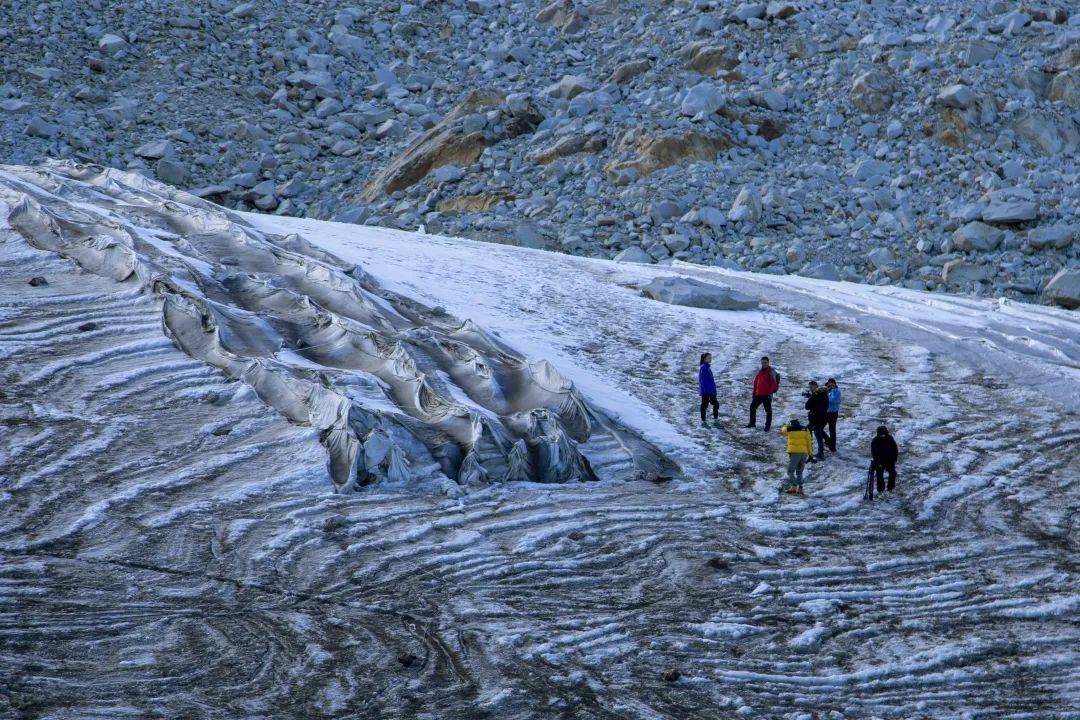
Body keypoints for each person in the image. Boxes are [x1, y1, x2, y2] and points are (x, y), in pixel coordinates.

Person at [779, 418, 813, 495]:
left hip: (795, 453)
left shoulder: (789, 429)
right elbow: (809, 442)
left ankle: (794, 487)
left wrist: (787, 424)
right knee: (799, 472)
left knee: (790, 471)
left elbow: (783, 430)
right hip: (804, 453)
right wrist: (810, 454)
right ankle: (800, 489)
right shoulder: (805, 429)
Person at [747, 356, 780, 431]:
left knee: (768, 411)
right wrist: (754, 393)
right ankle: (752, 423)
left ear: (768, 363)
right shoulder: (760, 371)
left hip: (766, 395)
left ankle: (767, 426)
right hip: (758, 394)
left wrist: (770, 393)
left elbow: (773, 384)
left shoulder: (771, 372)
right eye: (762, 363)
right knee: (752, 407)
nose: (764, 364)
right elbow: (756, 382)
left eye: (765, 362)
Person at [804, 381, 829, 461]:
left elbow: (807, 406)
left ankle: (820, 454)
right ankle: (828, 441)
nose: (810, 389)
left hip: (816, 420)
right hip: (823, 418)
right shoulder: (824, 394)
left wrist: (811, 397)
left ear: (815, 386)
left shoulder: (815, 395)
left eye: (811, 387)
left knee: (818, 436)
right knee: (818, 432)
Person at [870, 425, 899, 492]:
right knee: (879, 476)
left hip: (890, 460)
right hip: (880, 461)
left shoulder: (890, 438)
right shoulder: (875, 441)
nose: (883, 436)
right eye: (881, 434)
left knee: (893, 474)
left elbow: (895, 449)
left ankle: (890, 488)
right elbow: (874, 453)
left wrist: (894, 459)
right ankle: (880, 489)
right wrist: (877, 462)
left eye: (884, 434)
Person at [698, 353, 719, 427]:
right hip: (707, 391)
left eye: (711, 358)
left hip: (710, 391)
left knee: (714, 404)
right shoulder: (704, 367)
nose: (710, 359)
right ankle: (704, 422)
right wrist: (708, 391)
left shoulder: (707, 367)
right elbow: (703, 381)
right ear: (704, 359)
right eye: (708, 358)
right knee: (705, 405)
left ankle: (714, 420)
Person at [825, 379, 841, 452]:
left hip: (833, 413)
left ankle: (833, 447)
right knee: (818, 428)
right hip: (826, 412)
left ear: (834, 384)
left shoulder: (837, 391)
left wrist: (827, 394)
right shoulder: (828, 390)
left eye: (831, 384)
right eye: (829, 384)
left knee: (832, 430)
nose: (830, 386)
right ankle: (828, 440)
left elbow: (833, 401)